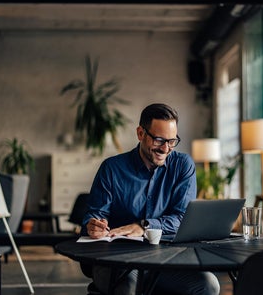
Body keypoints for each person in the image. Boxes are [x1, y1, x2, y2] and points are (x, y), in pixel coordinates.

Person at [80, 103, 220, 295]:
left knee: (209, 285)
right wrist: (93, 225)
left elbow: (182, 218)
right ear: (140, 133)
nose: (165, 148)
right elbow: (94, 215)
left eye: (172, 141)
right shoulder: (112, 169)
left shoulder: (182, 166)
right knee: (128, 286)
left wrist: (144, 226)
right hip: (117, 260)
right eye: (159, 140)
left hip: (164, 259)